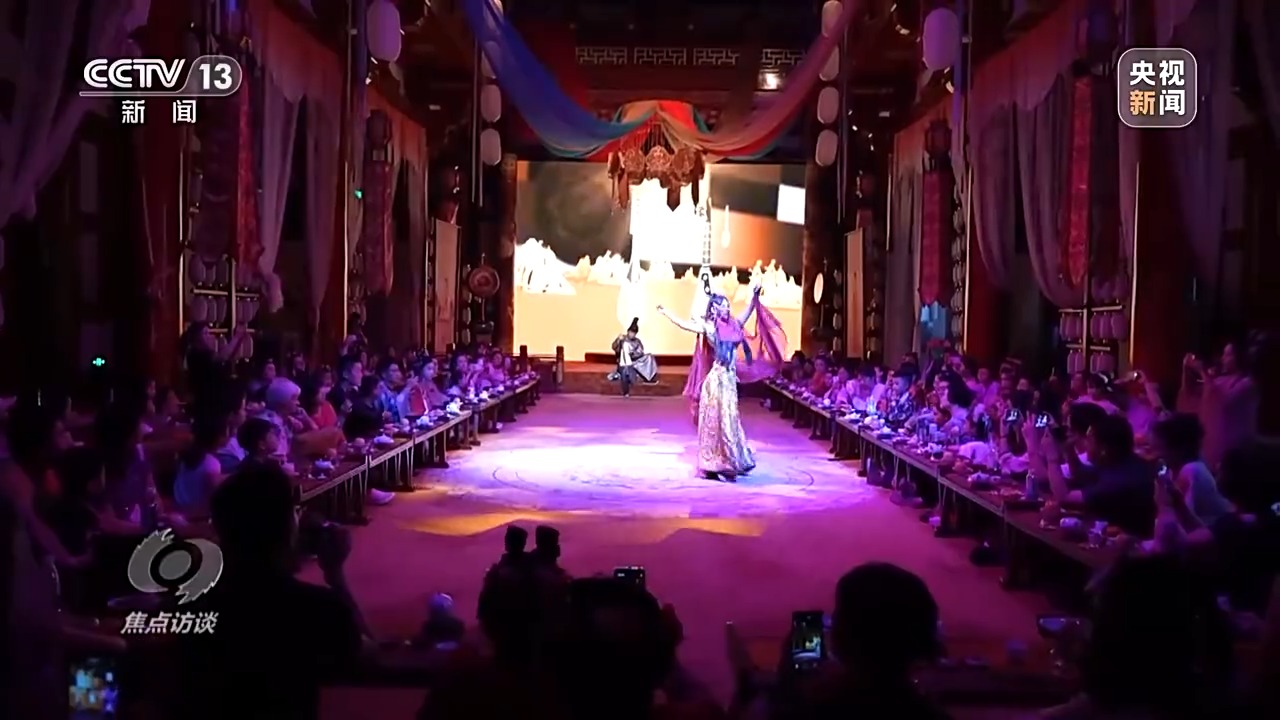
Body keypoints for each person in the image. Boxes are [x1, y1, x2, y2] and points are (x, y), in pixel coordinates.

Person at [169, 464, 367, 719]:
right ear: (289, 527)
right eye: (295, 511)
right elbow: (366, 655)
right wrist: (336, 576)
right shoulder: (318, 608)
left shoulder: (189, 606)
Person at [659, 280, 786, 481]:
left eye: (727, 305)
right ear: (714, 309)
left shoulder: (734, 325)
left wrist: (754, 294)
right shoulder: (709, 327)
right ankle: (714, 462)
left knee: (730, 420)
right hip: (716, 381)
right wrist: (667, 313)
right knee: (716, 422)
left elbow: (749, 309)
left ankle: (730, 459)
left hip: (729, 381)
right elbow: (685, 325)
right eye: (723, 305)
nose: (727, 308)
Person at [611, 317, 658, 398]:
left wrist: (633, 354)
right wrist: (618, 340)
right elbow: (614, 347)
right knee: (625, 370)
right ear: (628, 332)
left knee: (649, 357)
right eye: (631, 332)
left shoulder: (637, 341)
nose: (632, 334)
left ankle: (650, 377)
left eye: (634, 333)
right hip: (624, 361)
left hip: (635, 360)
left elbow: (640, 352)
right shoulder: (623, 339)